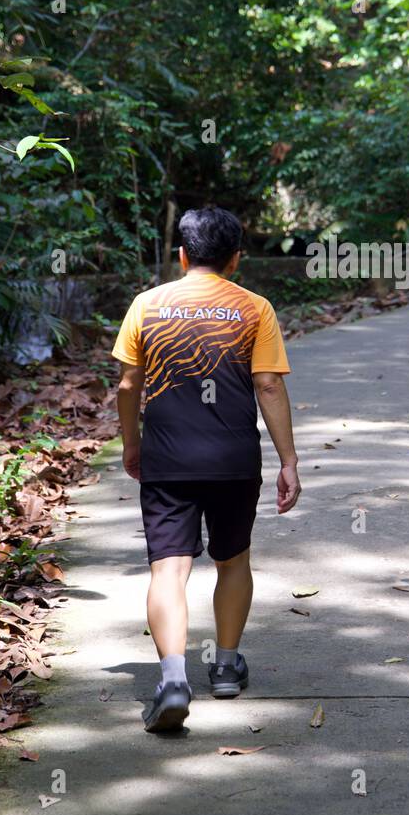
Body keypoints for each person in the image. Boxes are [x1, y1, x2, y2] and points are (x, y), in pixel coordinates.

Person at [112, 205, 301, 732]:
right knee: (233, 560)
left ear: (182, 254)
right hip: (234, 460)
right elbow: (268, 385)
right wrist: (288, 460)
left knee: (168, 569)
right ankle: (223, 666)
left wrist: (134, 445)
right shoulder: (254, 307)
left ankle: (173, 678)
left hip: (168, 460)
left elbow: (129, 385)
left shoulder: (147, 305)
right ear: (236, 259)